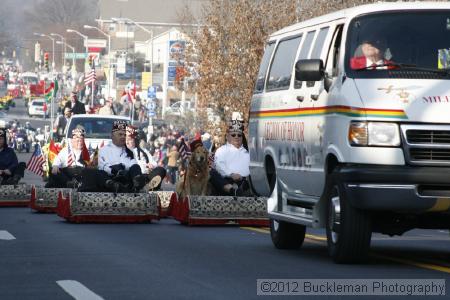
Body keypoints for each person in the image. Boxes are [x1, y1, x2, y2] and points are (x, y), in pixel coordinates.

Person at [78, 120, 147, 193]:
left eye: (124, 135)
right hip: (110, 178)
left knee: (136, 167)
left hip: (126, 178)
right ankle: (114, 185)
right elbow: (102, 167)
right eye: (120, 134)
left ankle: (138, 185)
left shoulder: (129, 151)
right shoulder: (103, 150)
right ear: (112, 136)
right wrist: (115, 171)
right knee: (94, 172)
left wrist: (124, 169)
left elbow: (132, 164)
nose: (123, 137)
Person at [209, 118, 251, 196]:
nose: (236, 137)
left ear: (242, 137)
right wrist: (231, 174)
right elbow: (219, 166)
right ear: (228, 136)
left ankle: (241, 190)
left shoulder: (248, 153)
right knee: (212, 173)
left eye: (239, 135)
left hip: (244, 182)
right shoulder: (221, 150)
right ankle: (233, 191)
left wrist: (242, 177)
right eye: (233, 135)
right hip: (226, 181)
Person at [125, 125, 166, 190]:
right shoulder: (124, 151)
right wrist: (144, 166)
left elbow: (154, 163)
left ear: (135, 140)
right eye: (126, 140)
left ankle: (149, 187)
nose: (127, 142)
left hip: (147, 177)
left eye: (130, 140)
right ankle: (139, 187)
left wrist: (152, 165)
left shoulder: (143, 151)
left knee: (161, 170)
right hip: (135, 177)